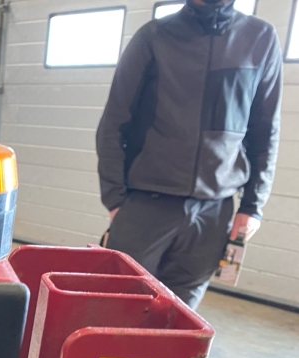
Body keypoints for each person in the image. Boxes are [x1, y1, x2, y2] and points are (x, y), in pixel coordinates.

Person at [96, 0, 282, 310]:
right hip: (146, 207)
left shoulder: (259, 38)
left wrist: (253, 205)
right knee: (119, 310)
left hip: (213, 215)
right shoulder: (154, 37)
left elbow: (265, 130)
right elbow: (114, 123)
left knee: (181, 319)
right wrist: (115, 199)